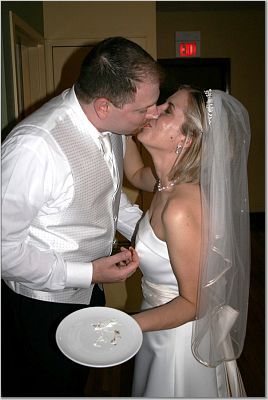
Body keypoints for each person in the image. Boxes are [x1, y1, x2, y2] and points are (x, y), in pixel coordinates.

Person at [1, 36, 166, 397]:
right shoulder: (33, 149)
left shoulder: (113, 127)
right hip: (39, 307)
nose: (153, 114)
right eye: (145, 109)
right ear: (104, 105)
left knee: (76, 383)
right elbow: (4, 252)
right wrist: (89, 271)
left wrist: (151, 232)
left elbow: (106, 196)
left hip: (90, 291)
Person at [124, 85, 251, 397]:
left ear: (186, 139)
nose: (153, 111)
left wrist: (126, 325)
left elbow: (195, 303)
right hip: (159, 325)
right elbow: (134, 171)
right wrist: (123, 122)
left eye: (167, 110)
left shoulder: (181, 207)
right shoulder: (163, 183)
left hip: (179, 341)